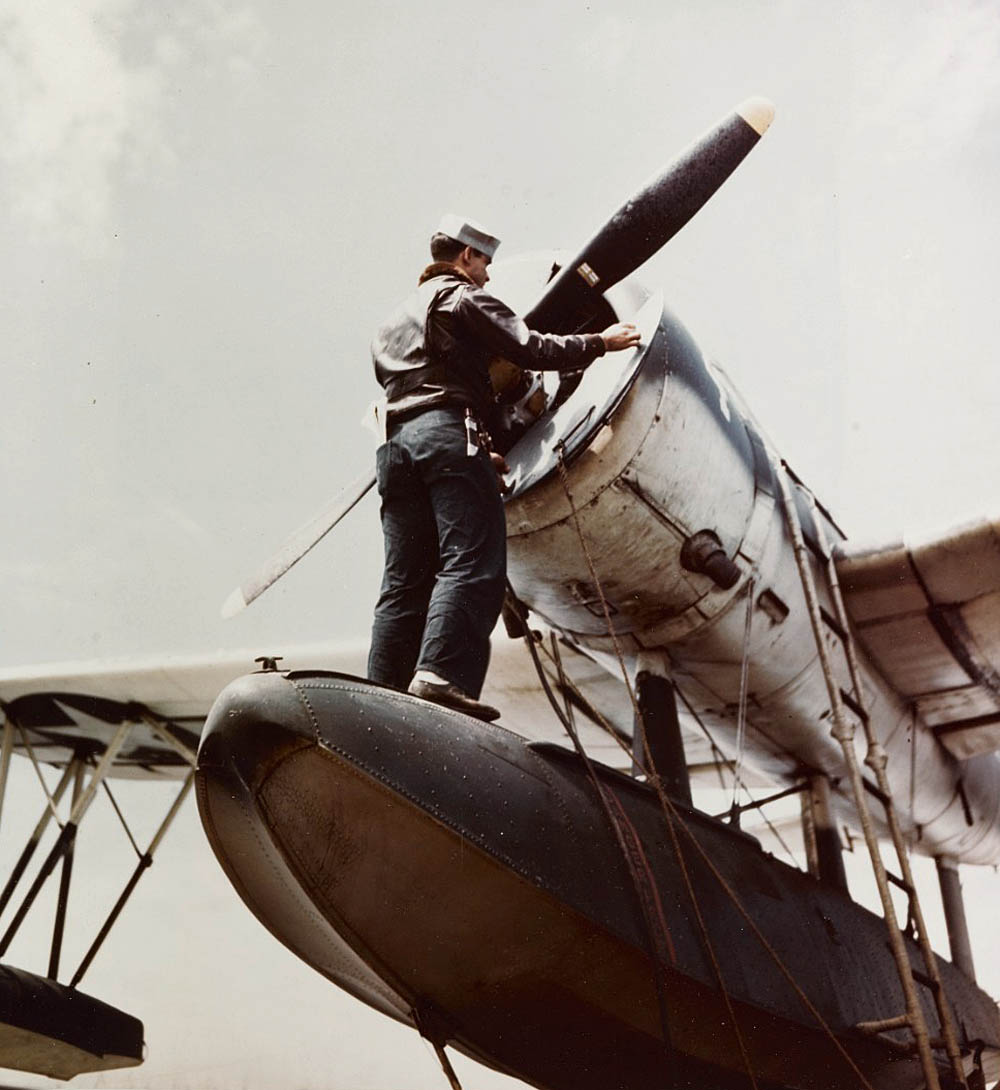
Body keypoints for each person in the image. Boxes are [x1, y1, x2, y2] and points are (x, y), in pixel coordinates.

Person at [367, 214, 641, 721]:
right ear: (466, 257)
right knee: (471, 559)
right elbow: (530, 348)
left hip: (394, 450)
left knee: (404, 579)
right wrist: (602, 342)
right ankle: (441, 677)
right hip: (449, 434)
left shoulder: (388, 325)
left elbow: (422, 388)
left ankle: (379, 695)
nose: (489, 275)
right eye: (485, 263)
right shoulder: (464, 297)